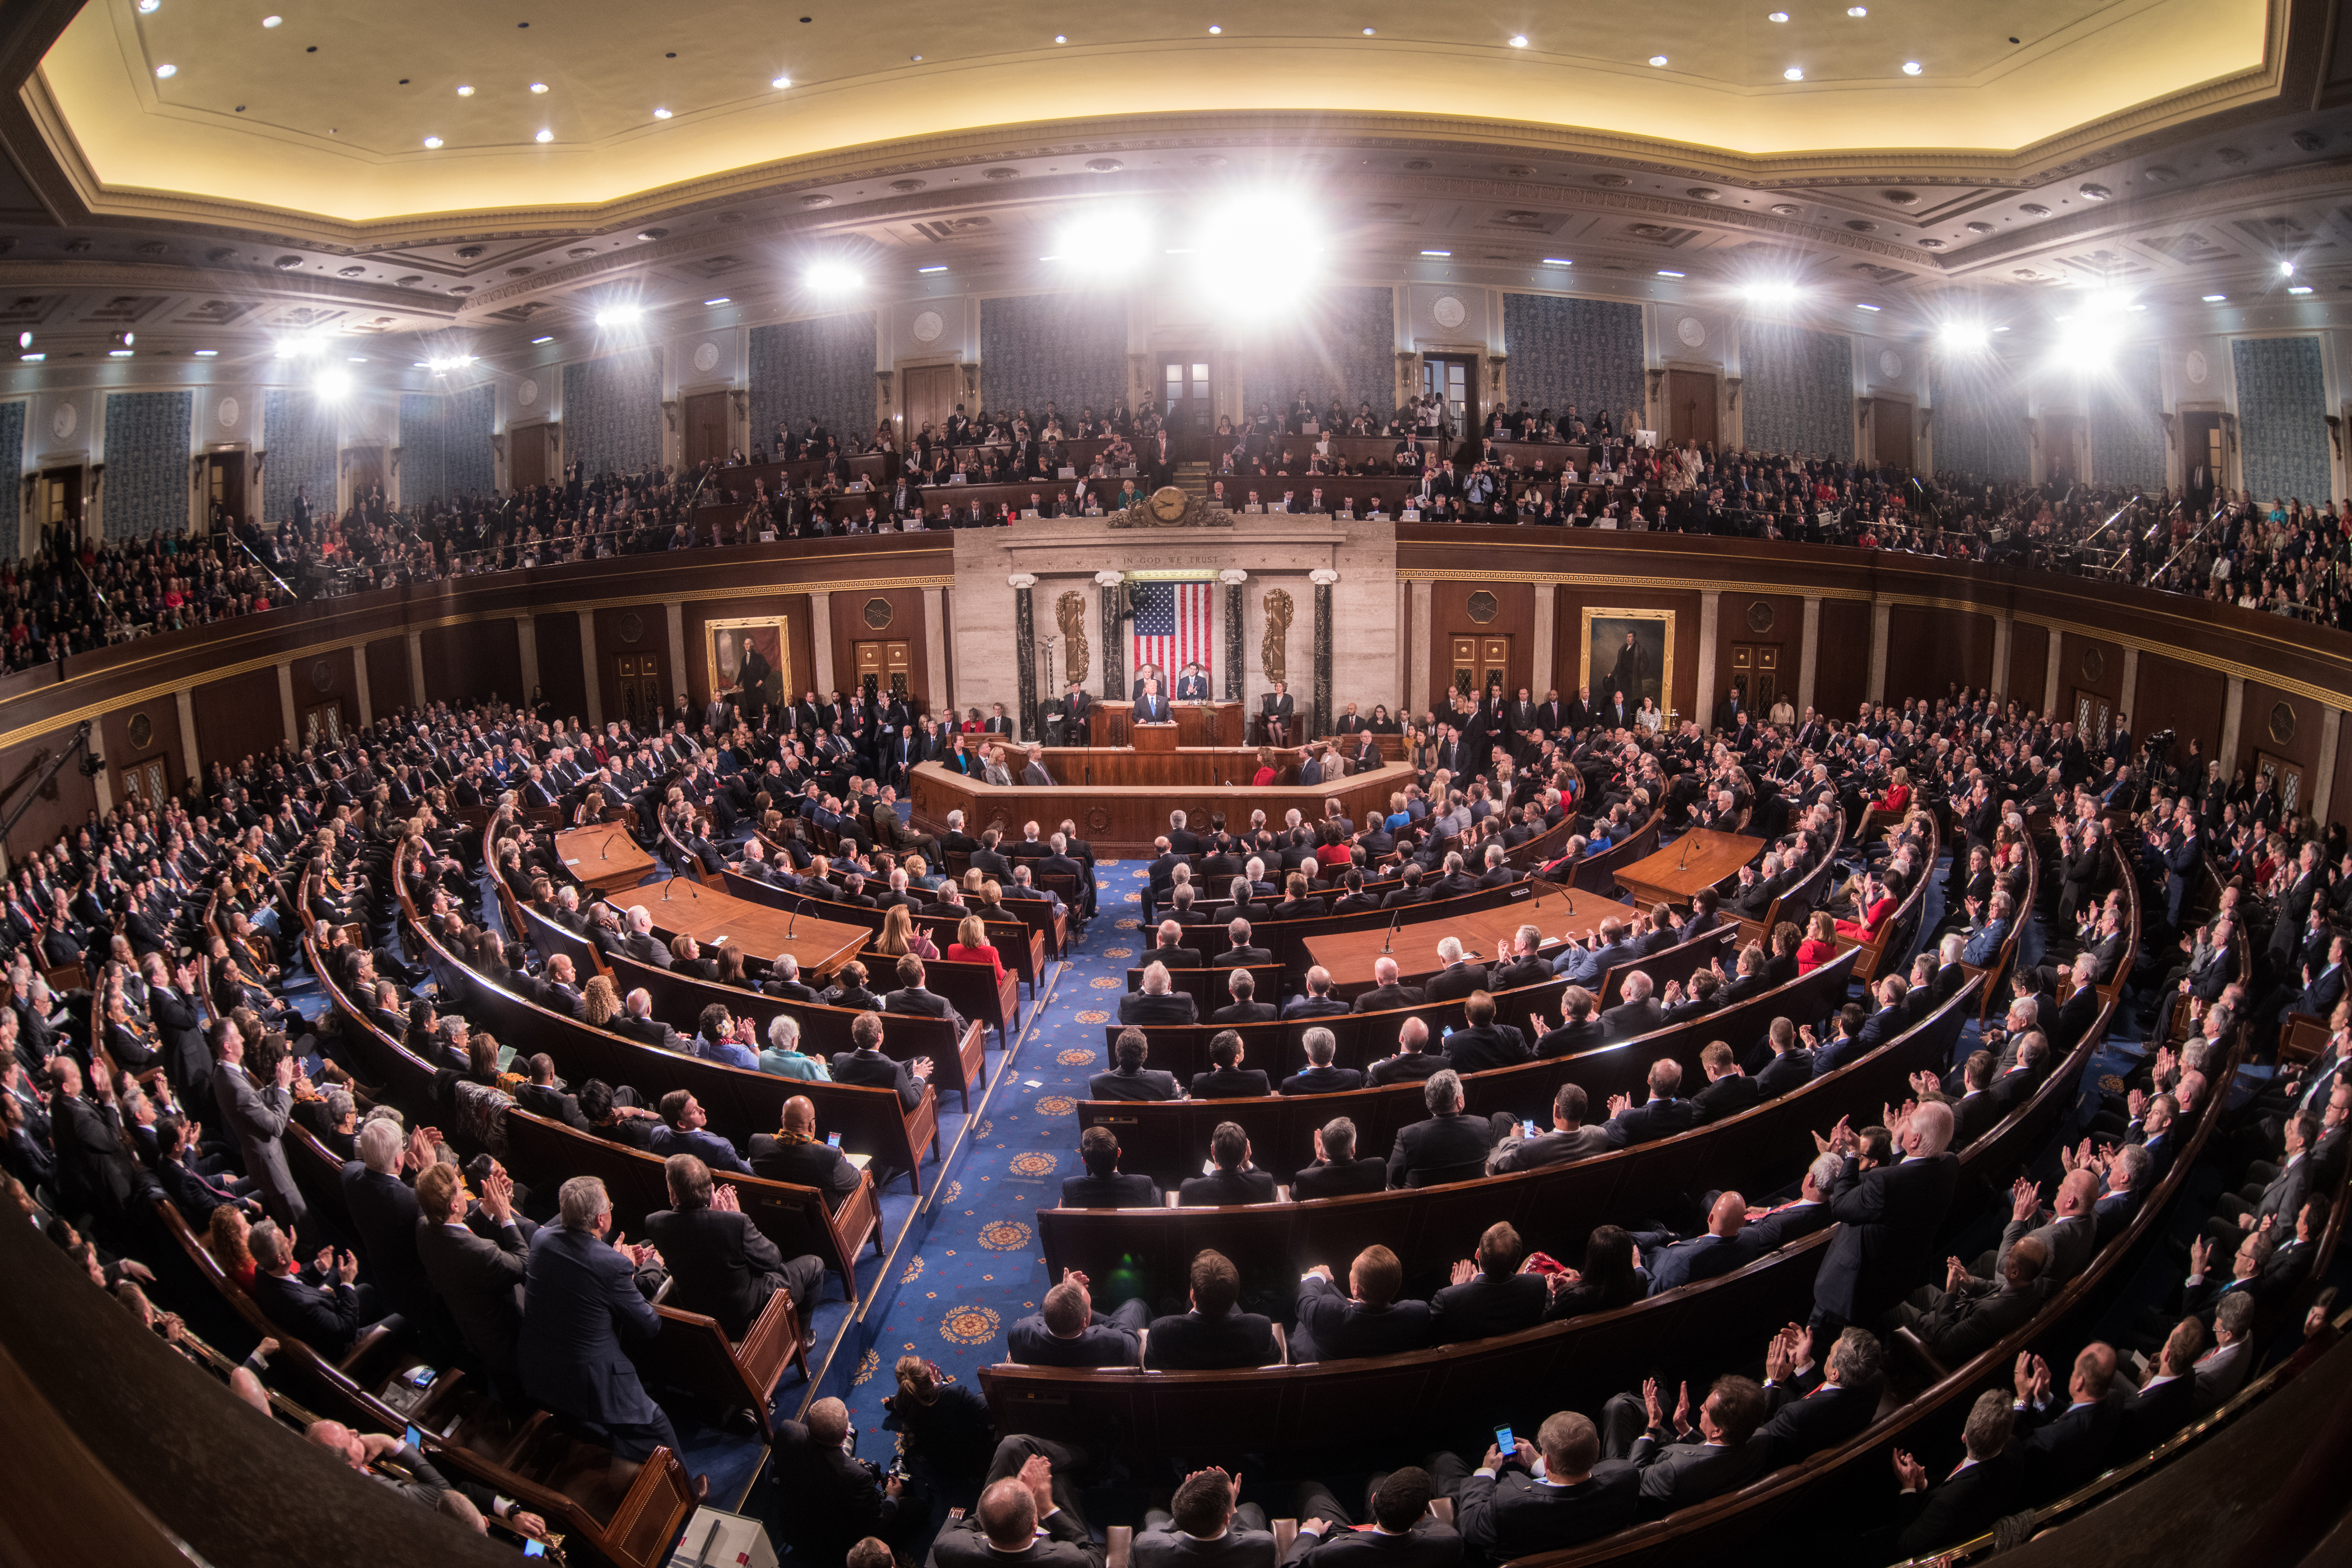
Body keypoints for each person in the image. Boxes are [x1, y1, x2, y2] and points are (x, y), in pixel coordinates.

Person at [646, 1153, 825, 1339]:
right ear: (710, 1189)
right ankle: (801, 1339)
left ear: (674, 1193)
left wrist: (714, 1214)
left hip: (696, 1310)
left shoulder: (654, 1223)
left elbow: (698, 1237)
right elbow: (772, 1260)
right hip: (744, 1315)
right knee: (815, 1264)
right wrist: (733, 1215)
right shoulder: (735, 1223)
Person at [1453, 1411, 1639, 1558]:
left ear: (1547, 1458)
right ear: (1597, 1446)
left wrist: (1487, 1471)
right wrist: (1539, 1464)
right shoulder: (1626, 1477)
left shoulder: (1507, 1505)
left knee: (1443, 1463)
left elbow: (1470, 1524)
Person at [925, 1438, 1103, 1568]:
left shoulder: (950, 1547)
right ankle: (1094, 1458)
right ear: (1035, 1526)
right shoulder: (1068, 1560)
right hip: (1054, 1536)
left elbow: (965, 1529)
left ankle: (1085, 1458)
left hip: (1004, 1530)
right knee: (1058, 1480)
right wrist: (1047, 1507)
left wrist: (1018, 1490)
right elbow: (1094, 1558)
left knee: (1011, 1447)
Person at [1291, 1244, 1432, 1362]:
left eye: (1352, 1269)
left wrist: (1317, 1275)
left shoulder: (1326, 1314)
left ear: (1356, 1290)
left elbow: (1305, 1302)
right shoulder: (1418, 1314)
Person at [1145, 1249, 1277, 1369]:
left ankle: (1172, 1307)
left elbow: (1151, 1365)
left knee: (1174, 1304)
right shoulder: (1261, 1329)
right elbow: (1275, 1357)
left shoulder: (1161, 1332)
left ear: (1192, 1295)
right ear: (1234, 1298)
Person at [1135, 1466, 1275, 1568]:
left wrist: (1188, 1504)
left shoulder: (1144, 1545)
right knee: (1251, 1508)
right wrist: (1231, 1505)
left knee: (1154, 1514)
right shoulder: (1264, 1544)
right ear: (1227, 1519)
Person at [1009, 1267, 1150, 1367]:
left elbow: (1043, 1314)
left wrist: (1063, 1294)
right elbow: (1131, 1336)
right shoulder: (1114, 1343)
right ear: (1084, 1323)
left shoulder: (1020, 1333)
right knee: (1136, 1305)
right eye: (1090, 1307)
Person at [1060, 1124, 1162, 1207]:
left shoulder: (1070, 1187)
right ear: (1119, 1153)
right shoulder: (1143, 1185)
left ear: (1084, 1161)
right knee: (1158, 1191)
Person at [1179, 1121, 1277, 1206]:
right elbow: (1266, 1182)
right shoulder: (1265, 1184)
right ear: (1245, 1153)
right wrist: (1246, 1163)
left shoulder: (1189, 1190)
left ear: (1213, 1151)